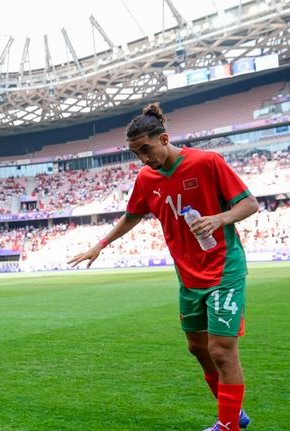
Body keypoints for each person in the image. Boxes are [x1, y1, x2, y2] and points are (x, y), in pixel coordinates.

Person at [68, 103, 258, 431]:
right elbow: (132, 216)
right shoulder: (146, 178)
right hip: (188, 275)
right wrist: (99, 245)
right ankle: (234, 412)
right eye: (136, 153)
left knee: (222, 351)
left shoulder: (207, 162)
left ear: (164, 138)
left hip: (223, 268)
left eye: (146, 149)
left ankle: (228, 426)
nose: (142, 158)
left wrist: (219, 218)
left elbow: (249, 203)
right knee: (198, 349)